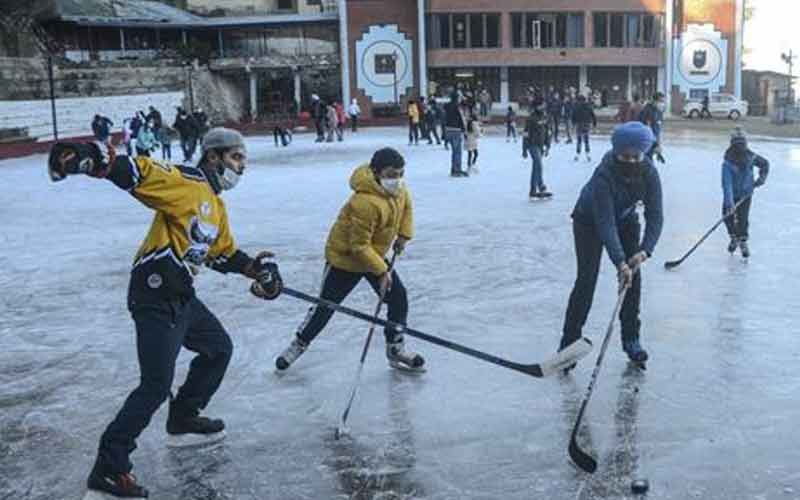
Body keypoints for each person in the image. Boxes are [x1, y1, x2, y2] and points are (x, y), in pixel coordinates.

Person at [47, 128, 282, 499]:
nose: (242, 167)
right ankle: (109, 466)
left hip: (181, 295)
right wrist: (96, 159)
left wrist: (257, 270)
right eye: (236, 157)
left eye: (243, 160)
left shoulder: (214, 205)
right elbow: (142, 173)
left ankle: (183, 416)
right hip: (155, 292)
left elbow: (221, 253)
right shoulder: (188, 183)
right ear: (214, 156)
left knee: (218, 348)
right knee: (155, 385)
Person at [275, 148, 425, 373]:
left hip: (374, 255)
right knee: (325, 306)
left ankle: (395, 347)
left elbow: (407, 208)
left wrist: (404, 235)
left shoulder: (398, 189)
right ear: (376, 172)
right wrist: (382, 272)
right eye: (391, 174)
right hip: (345, 260)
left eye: (400, 174)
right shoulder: (364, 202)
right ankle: (299, 343)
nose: (397, 179)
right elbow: (358, 246)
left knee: (397, 297)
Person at [558, 121, 663, 369]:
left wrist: (644, 251)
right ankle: (568, 345)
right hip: (588, 222)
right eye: (624, 156)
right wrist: (619, 262)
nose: (630, 160)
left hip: (626, 221)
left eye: (635, 156)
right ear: (616, 152)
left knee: (633, 280)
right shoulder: (604, 175)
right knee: (586, 280)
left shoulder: (649, 172)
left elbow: (655, 215)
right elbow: (605, 223)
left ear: (643, 152)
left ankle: (632, 339)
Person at [721, 128, 769, 258]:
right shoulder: (728, 162)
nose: (740, 147)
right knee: (727, 217)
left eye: (742, 143)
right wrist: (730, 203)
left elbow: (765, 164)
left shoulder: (750, 157)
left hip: (746, 194)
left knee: (742, 218)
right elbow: (727, 184)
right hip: (732, 195)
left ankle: (742, 241)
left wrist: (761, 178)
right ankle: (734, 237)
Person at [523, 101, 552, 200]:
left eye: (543, 105)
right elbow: (526, 134)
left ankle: (541, 187)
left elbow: (548, 132)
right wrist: (524, 149)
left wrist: (548, 146)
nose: (543, 107)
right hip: (532, 145)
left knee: (537, 166)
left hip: (541, 146)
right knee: (538, 165)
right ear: (536, 107)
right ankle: (533, 190)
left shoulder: (545, 117)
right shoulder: (531, 118)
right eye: (541, 105)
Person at [443, 90, 467, 177]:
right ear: (457, 98)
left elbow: (443, 118)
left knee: (454, 151)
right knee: (457, 151)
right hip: (456, 130)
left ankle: (454, 169)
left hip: (448, 129)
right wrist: (464, 130)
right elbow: (461, 118)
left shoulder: (446, 106)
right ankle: (457, 170)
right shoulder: (457, 107)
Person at [572, 94, 597, 162]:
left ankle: (577, 154)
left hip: (579, 124)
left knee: (579, 140)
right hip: (586, 124)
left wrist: (573, 123)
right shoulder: (588, 106)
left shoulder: (576, 107)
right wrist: (594, 123)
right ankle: (588, 154)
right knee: (586, 140)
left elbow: (573, 115)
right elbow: (593, 115)